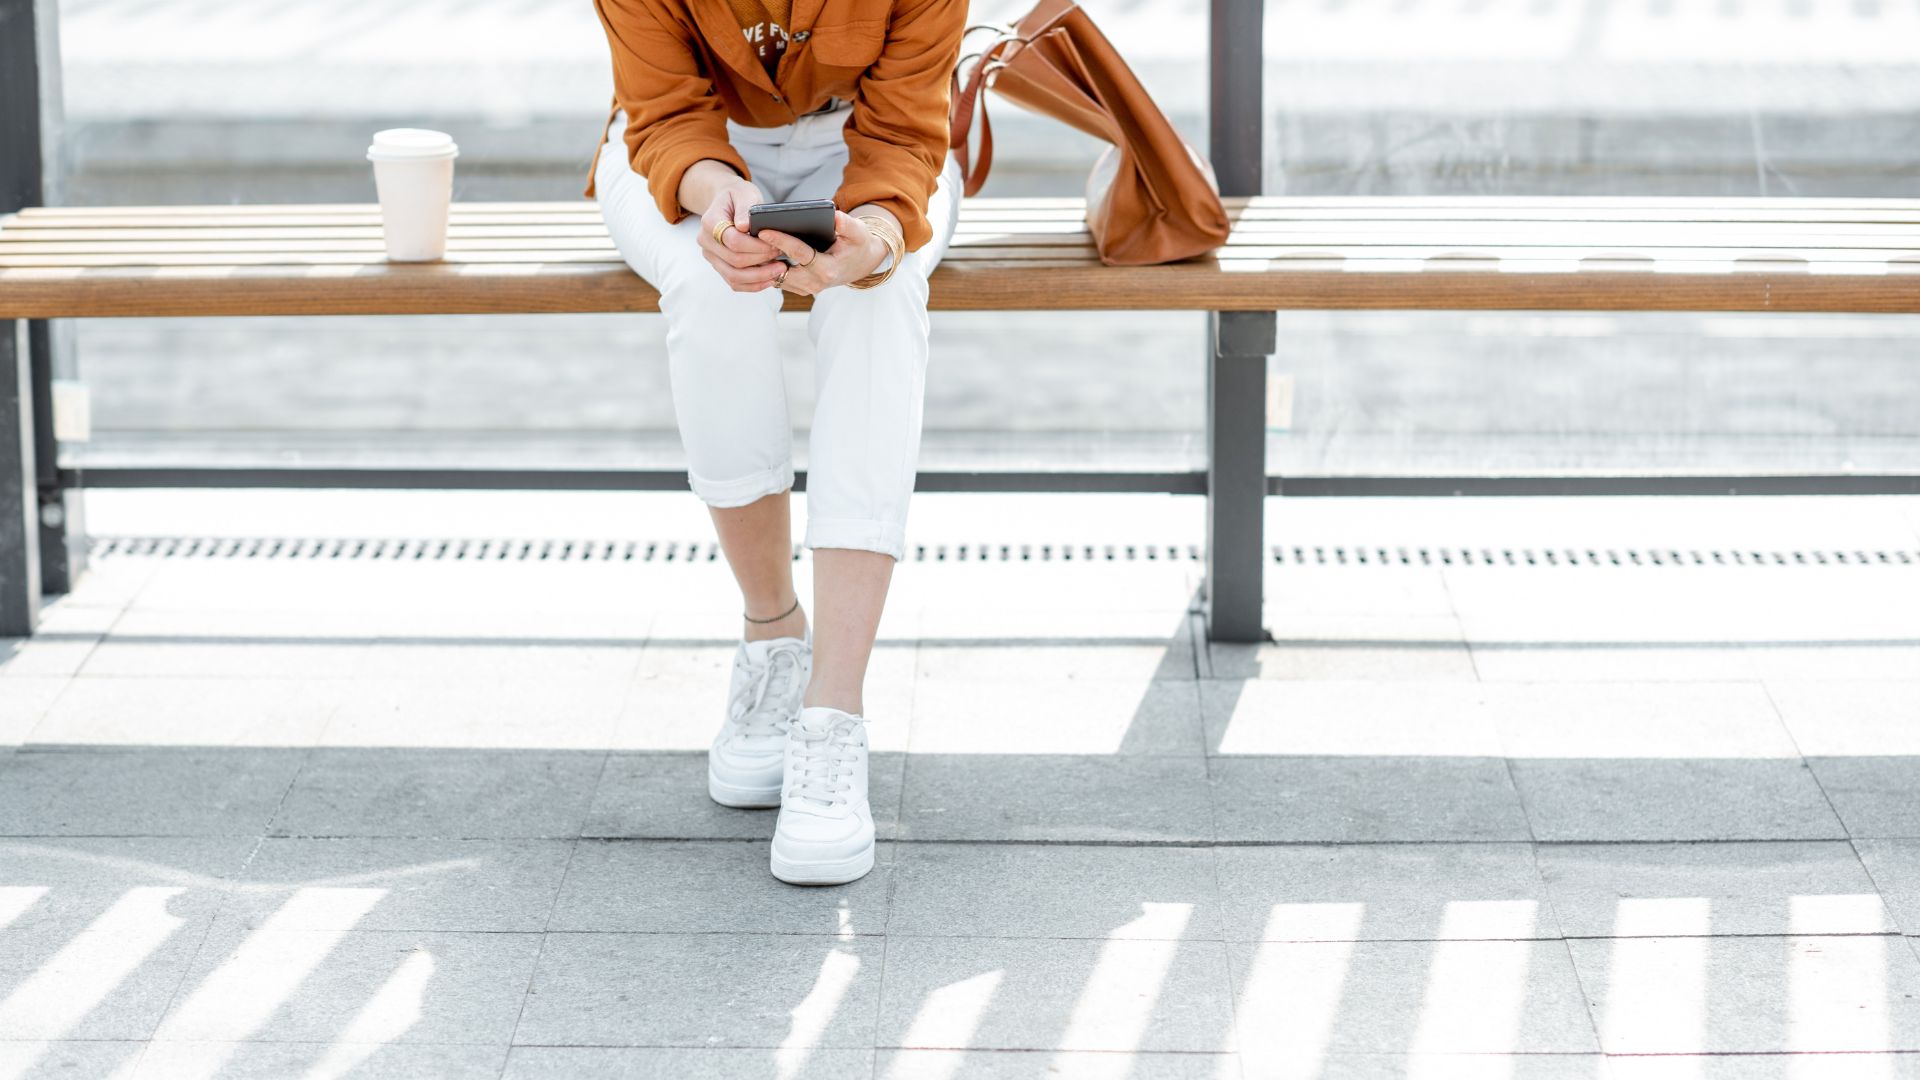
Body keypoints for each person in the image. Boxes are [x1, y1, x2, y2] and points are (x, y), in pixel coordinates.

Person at [586, 0, 967, 885]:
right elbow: (668, 113)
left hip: (875, 151)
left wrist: (870, 240)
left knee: (883, 295)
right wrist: (717, 193)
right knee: (710, 281)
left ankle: (833, 711)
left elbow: (908, 134)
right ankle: (772, 638)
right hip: (696, 155)